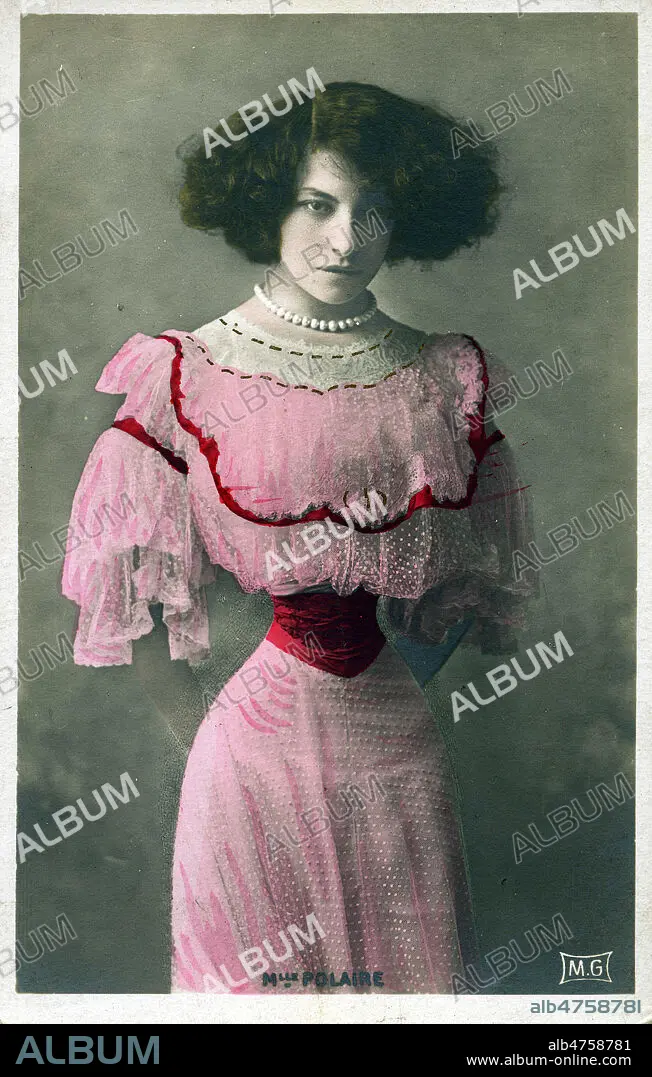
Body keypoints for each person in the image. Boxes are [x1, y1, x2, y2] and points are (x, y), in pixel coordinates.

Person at [62, 81, 536, 993]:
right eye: (318, 205)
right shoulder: (190, 371)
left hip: (396, 748)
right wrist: (217, 738)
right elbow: (131, 601)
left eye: (375, 210)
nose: (347, 239)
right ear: (267, 205)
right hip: (247, 759)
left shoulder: (442, 376)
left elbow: (461, 592)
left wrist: (385, 685)